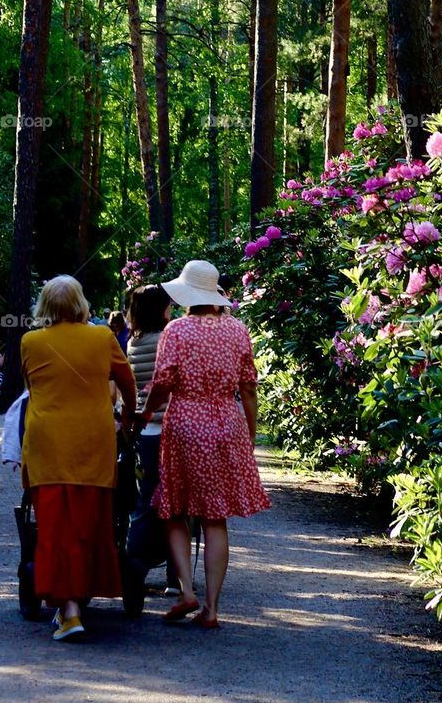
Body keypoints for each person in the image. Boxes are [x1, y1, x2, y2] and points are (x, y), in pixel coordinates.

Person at [134, 259, 270, 628]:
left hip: (185, 423)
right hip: (227, 422)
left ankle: (186, 590)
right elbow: (248, 387)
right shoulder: (238, 330)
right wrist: (250, 431)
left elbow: (162, 383)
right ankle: (211, 608)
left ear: (186, 295)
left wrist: (146, 415)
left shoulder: (176, 331)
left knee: (174, 510)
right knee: (214, 518)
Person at [21, 275, 137, 642]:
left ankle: (68, 608)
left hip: (48, 445)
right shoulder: (102, 337)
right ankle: (75, 604)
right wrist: (130, 418)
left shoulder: (31, 342)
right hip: (92, 443)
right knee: (89, 526)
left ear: (45, 307)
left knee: (54, 528)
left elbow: (34, 388)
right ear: (80, 304)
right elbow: (126, 382)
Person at [124, 284, 177, 596]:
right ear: (161, 309)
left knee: (146, 501)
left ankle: (136, 566)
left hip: (146, 431)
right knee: (176, 503)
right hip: (170, 427)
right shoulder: (166, 339)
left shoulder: (134, 341)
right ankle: (175, 575)